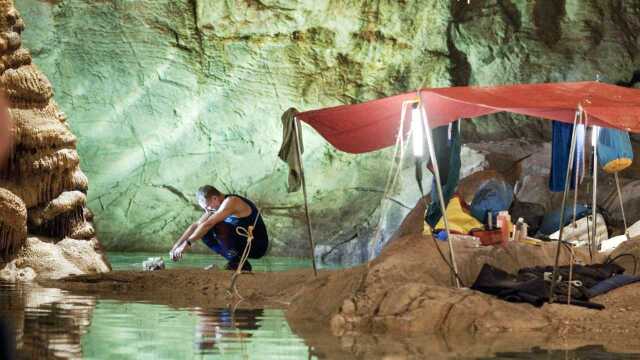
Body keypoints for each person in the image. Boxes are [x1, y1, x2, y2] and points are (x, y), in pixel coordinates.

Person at [170, 185, 269, 271]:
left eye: (207, 207)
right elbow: (196, 225)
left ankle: (237, 263)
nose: (206, 210)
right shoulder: (214, 208)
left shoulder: (232, 201)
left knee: (213, 225)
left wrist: (188, 243)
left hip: (257, 246)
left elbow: (209, 224)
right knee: (202, 230)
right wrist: (176, 246)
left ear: (215, 198)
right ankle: (238, 262)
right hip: (241, 243)